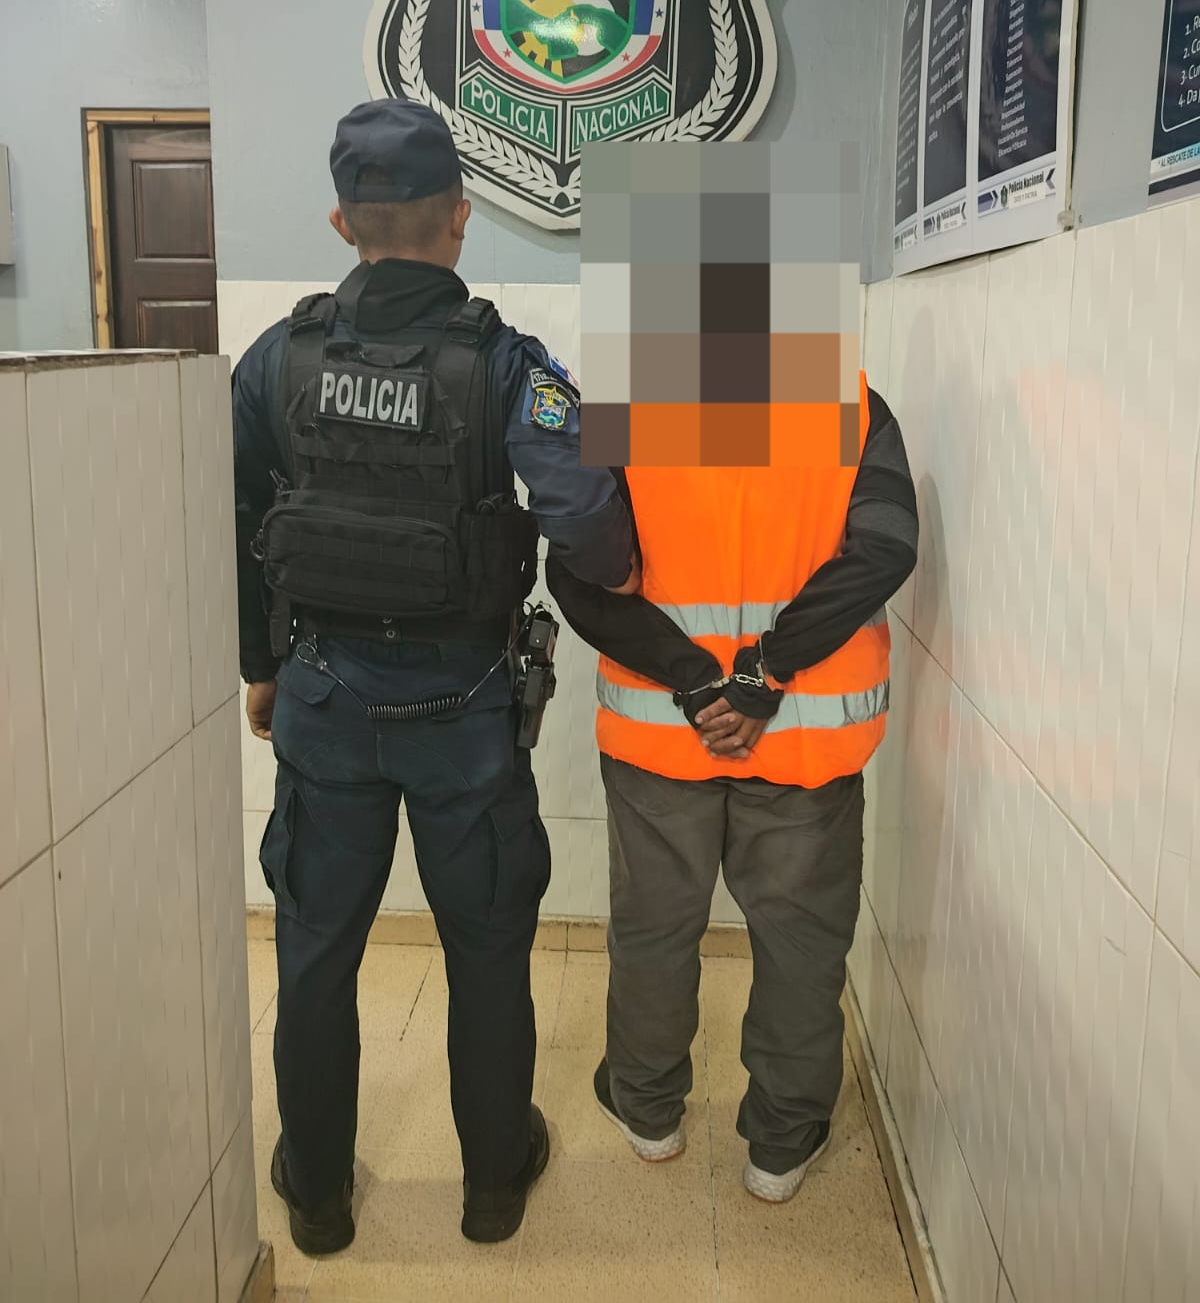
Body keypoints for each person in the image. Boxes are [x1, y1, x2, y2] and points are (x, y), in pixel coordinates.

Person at [232, 99, 638, 1255]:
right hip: (464, 716)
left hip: (321, 700)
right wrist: (608, 561)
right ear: (460, 216)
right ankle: (493, 1184)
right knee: (488, 952)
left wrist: (262, 669)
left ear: (340, 223)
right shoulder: (505, 364)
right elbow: (591, 514)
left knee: (315, 955)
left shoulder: (277, 357)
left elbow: (237, 518)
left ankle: (317, 1198)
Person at [547, 372, 917, 1202]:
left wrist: (690, 675)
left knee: (654, 928)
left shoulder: (630, 401)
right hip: (805, 744)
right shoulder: (850, 405)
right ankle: (781, 1146)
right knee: (800, 942)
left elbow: (573, 572)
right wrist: (763, 672)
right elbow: (887, 547)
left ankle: (647, 1111)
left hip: (660, 737)